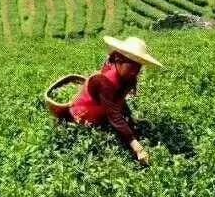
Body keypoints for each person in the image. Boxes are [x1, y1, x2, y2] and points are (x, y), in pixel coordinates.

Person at [67, 36, 163, 166]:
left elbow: (119, 101)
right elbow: (114, 116)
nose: (135, 72)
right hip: (84, 118)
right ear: (118, 60)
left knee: (129, 127)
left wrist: (130, 118)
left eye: (138, 67)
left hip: (104, 112)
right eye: (131, 66)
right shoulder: (103, 81)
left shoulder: (126, 77)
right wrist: (137, 147)